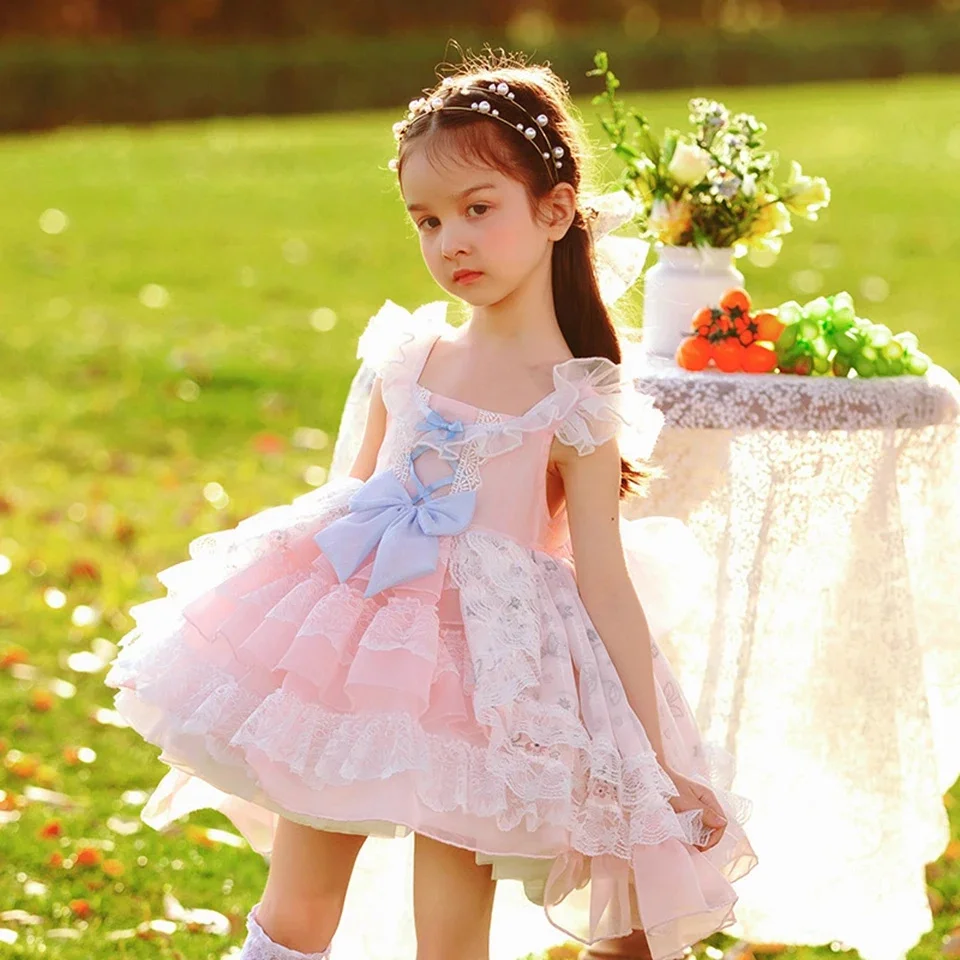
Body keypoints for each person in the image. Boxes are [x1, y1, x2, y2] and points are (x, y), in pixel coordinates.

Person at [104, 54, 758, 960]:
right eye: (427, 220)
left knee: (450, 938)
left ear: (556, 210)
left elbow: (603, 580)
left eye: (478, 209)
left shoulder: (574, 401)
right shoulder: (410, 354)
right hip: (357, 653)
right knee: (296, 908)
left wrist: (662, 756)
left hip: (484, 681)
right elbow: (353, 495)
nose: (451, 240)